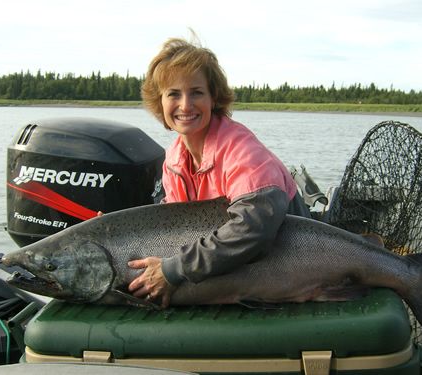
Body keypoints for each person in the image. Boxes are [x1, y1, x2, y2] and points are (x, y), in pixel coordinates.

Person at [127, 36, 297, 308]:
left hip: (287, 257)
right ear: (159, 101)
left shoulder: (241, 150)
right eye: (173, 94)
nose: (185, 105)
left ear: (213, 97)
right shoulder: (174, 157)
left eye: (196, 92)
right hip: (230, 262)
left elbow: (253, 227)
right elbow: (175, 226)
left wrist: (172, 271)